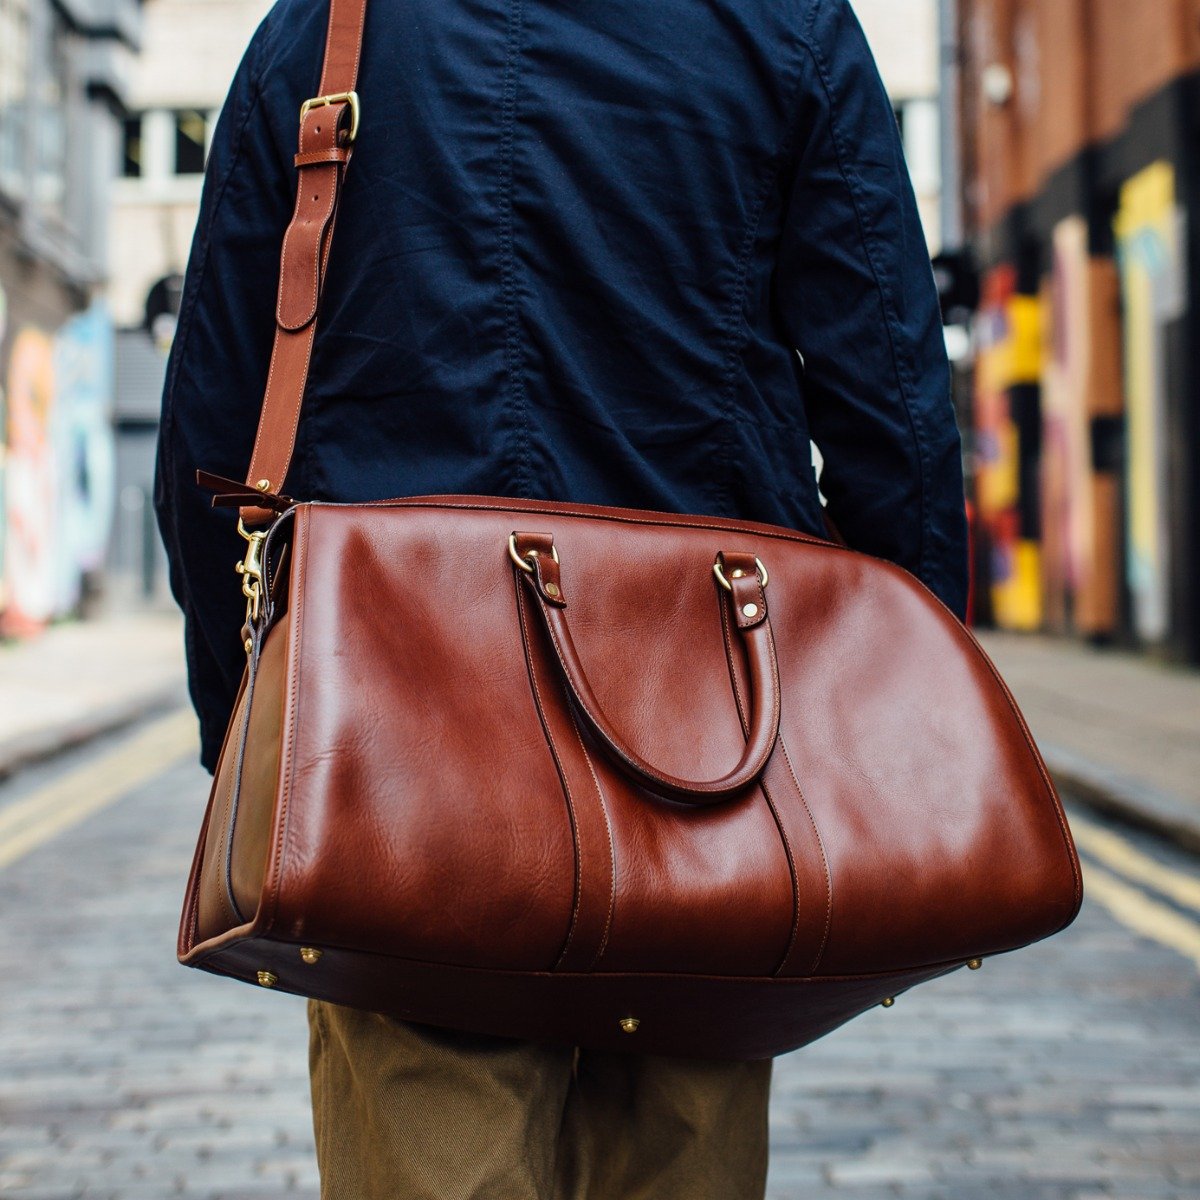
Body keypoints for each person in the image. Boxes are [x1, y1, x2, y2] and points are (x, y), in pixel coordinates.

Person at [156, 0, 969, 1195]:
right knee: (680, 1143)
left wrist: (243, 717)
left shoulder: (328, 31)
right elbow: (890, 401)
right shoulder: (785, 26)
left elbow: (215, 415)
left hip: (402, 746)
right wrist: (907, 712)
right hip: (711, 742)